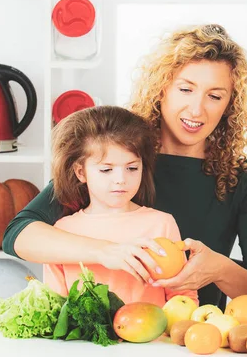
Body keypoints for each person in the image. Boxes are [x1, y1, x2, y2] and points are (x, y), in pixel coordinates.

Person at [2, 24, 247, 307]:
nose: (197, 109)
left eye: (215, 96)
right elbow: (18, 234)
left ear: (229, 105)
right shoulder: (120, 159)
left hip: (193, 340)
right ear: (162, 89)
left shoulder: (241, 179)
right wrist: (107, 252)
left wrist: (220, 269)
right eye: (185, 89)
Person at [42, 106, 197, 307]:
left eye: (132, 168)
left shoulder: (161, 223)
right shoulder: (62, 231)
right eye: (106, 169)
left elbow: (184, 299)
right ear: (81, 172)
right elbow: (55, 308)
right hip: (83, 340)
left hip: (153, 339)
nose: (121, 180)